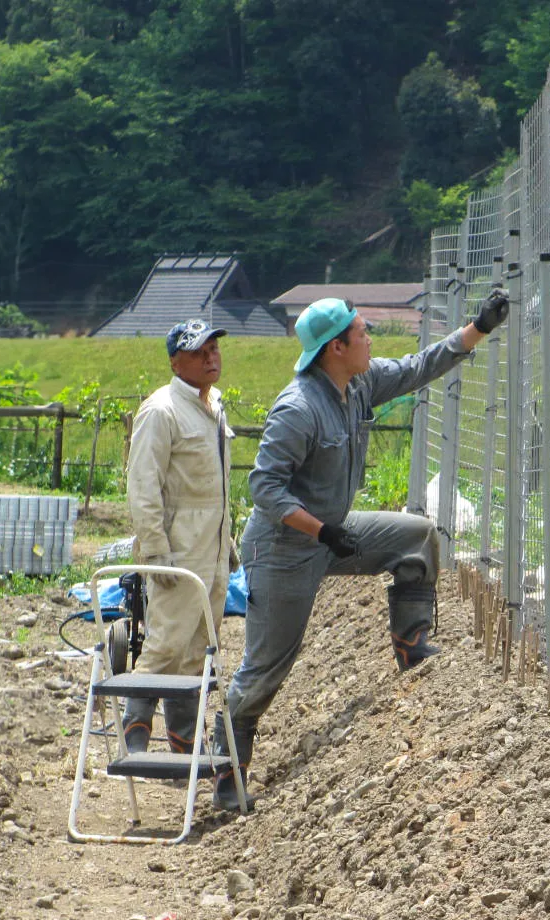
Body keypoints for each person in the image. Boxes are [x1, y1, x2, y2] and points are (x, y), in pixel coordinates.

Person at [210, 289, 509, 808]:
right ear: (335, 348)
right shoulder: (298, 409)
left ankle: (412, 646)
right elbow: (264, 489)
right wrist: (322, 532)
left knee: (417, 537)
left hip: (332, 531)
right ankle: (227, 773)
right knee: (266, 668)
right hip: (284, 548)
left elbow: (418, 367)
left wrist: (478, 327)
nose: (370, 340)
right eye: (362, 333)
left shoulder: (359, 383)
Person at [121, 319, 238, 757]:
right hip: (178, 549)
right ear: (175, 362)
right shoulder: (161, 411)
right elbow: (143, 486)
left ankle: (183, 739)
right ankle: (135, 730)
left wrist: (227, 542)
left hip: (212, 547)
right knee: (166, 642)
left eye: (214, 349)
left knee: (199, 646)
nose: (210, 358)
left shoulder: (215, 405)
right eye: (198, 352)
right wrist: (155, 551)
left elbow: (215, 487)